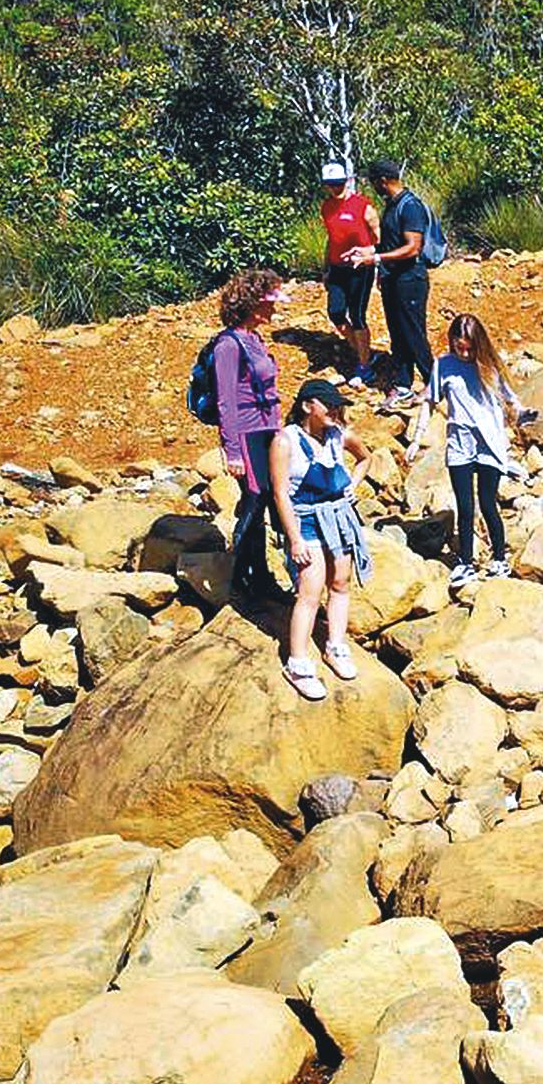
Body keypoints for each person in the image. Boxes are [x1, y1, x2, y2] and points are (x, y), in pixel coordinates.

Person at [269, 379, 372, 701]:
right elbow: (280, 493)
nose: (336, 411)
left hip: (338, 516)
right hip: (306, 520)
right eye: (329, 404)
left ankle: (335, 646)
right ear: (307, 406)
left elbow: (365, 457)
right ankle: (298, 662)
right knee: (310, 591)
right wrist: (295, 538)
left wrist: (353, 485)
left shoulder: (339, 435)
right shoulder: (285, 441)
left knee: (341, 582)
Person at [406, 313, 527, 586]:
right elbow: (429, 401)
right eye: (458, 346)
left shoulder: (490, 365)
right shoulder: (443, 365)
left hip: (489, 444)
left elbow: (511, 399)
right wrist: (416, 439)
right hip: (460, 444)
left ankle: (499, 557)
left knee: (487, 503)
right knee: (464, 505)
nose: (463, 353)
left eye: (469, 348)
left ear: (478, 345)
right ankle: (466, 562)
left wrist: (522, 413)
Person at [211, 269, 288, 603]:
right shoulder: (228, 345)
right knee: (255, 502)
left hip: (267, 430)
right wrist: (232, 452)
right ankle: (244, 579)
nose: (274, 310)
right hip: (247, 434)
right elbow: (226, 399)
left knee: (270, 499)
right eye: (269, 303)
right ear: (254, 304)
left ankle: (263, 578)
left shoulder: (255, 339)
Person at [350, 159, 434, 406]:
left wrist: (375, 258)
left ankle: (433, 382)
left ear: (383, 180)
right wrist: (374, 259)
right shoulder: (392, 205)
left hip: (410, 279)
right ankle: (404, 384)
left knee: (414, 333)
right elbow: (392, 243)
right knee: (398, 334)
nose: (373, 186)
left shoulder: (410, 207)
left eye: (374, 182)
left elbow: (412, 248)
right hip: (393, 279)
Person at [318, 162, 379, 382]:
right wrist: (326, 268)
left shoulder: (363, 206)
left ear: (346, 181)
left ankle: (364, 366)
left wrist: (373, 257)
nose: (335, 188)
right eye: (330, 185)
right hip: (336, 268)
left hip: (360, 269)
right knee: (335, 312)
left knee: (357, 315)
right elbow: (332, 239)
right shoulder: (326, 207)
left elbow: (379, 239)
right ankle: (364, 352)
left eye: (338, 184)